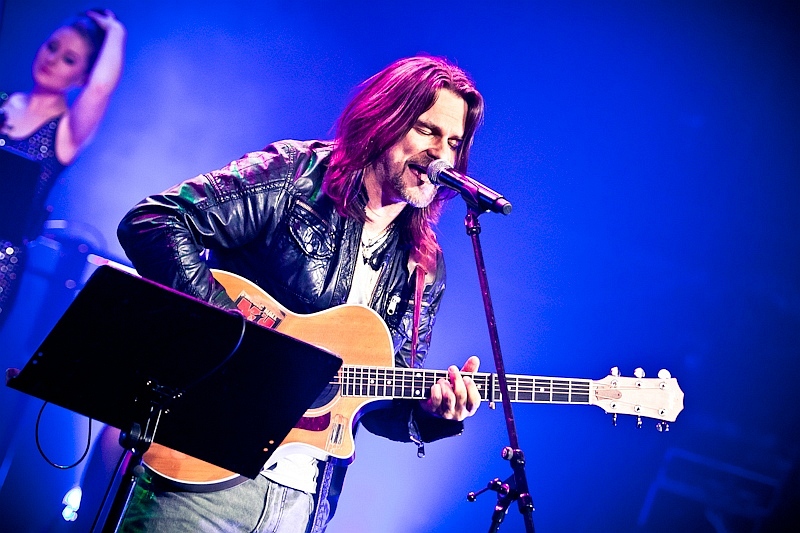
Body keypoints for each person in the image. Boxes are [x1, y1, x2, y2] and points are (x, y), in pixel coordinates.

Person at [116, 55, 484, 533]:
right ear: (386, 119)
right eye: (427, 130)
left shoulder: (424, 266)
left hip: (304, 503)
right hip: (200, 473)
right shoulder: (295, 176)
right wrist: (243, 339)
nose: (442, 156)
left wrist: (433, 414)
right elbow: (153, 221)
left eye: (454, 142)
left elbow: (376, 402)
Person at [0, 8, 126, 329]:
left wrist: (115, 32)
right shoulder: (4, 103)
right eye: (52, 47)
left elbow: (100, 90)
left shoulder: (67, 131)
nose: (53, 60)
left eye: (70, 59)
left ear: (81, 77)